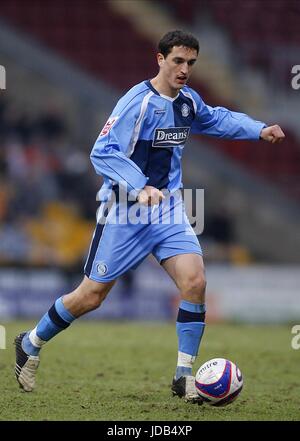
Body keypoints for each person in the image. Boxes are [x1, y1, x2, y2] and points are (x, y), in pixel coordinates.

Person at [14, 30, 285, 403]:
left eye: (191, 63)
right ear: (160, 59)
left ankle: (183, 375)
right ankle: (30, 342)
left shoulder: (187, 102)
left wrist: (259, 129)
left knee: (195, 281)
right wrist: (139, 186)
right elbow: (102, 152)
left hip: (170, 208)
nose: (184, 69)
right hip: (124, 211)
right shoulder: (136, 103)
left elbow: (216, 119)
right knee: (91, 296)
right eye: (177, 61)